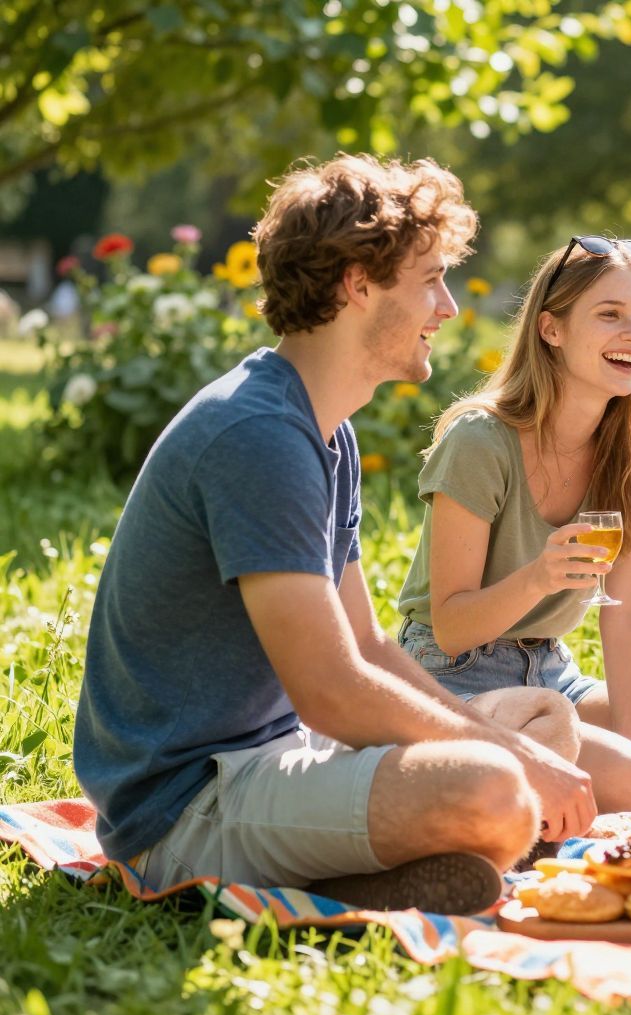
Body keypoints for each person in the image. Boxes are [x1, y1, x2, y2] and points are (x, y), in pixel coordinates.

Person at [73, 155, 599, 916]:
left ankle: (380, 867)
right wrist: (506, 758)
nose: (448, 307)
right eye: (431, 280)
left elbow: (370, 647)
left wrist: (513, 744)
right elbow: (329, 690)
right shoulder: (257, 434)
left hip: (280, 755)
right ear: (358, 284)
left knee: (545, 718)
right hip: (188, 804)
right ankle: (367, 868)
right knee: (495, 787)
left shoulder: (325, 431)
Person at [395, 236, 631, 795]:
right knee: (629, 778)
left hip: (552, 673)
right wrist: (539, 577)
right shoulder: (481, 441)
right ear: (551, 329)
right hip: (452, 678)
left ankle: (605, 780)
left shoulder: (625, 451)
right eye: (610, 314)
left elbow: (627, 614)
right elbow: (450, 629)